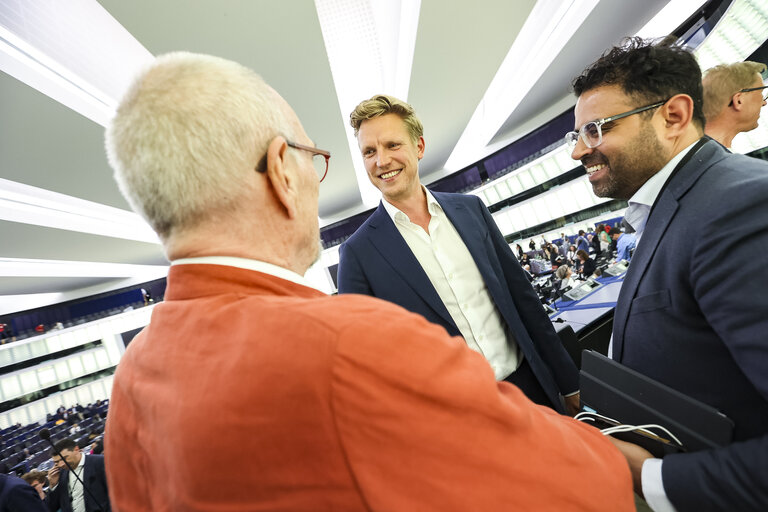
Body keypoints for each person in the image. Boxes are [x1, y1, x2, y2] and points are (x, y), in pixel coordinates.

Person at [103, 52, 633, 511]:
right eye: (316, 158)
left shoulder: (128, 391)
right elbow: (587, 491)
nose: (376, 163)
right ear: (283, 171)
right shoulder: (346, 341)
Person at [568, 36, 768, 511]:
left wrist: (650, 475)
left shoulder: (738, 208)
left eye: (595, 130)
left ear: (673, 116)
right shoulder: (684, 200)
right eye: (576, 135)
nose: (578, 152)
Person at [337, 94, 580, 415]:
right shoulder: (357, 254)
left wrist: (569, 383)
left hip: (532, 390)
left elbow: (525, 302)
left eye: (392, 145)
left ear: (419, 147)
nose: (381, 160)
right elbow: (368, 365)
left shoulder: (471, 211)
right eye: (369, 151)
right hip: (455, 419)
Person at [702, 61, 767, 149]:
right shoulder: (729, 161)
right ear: (739, 101)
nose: (764, 103)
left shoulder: (688, 149)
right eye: (761, 94)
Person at [46, 438, 109, 512]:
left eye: (64, 458)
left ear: (76, 449)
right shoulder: (59, 474)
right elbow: (51, 507)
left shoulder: (99, 462)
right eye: (56, 462)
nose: (61, 464)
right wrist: (53, 486)